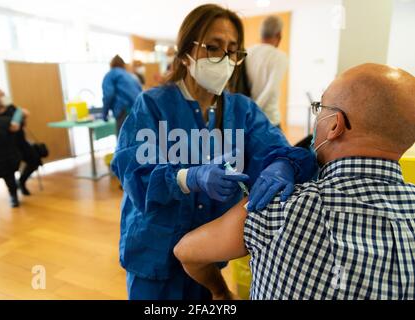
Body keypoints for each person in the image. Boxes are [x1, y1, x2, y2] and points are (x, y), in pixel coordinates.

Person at [111, 4, 317, 300]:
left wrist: (282, 164)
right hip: (153, 250)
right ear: (184, 53)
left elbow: (278, 148)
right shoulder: (153, 105)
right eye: (212, 47)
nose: (225, 59)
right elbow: (133, 170)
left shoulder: (241, 111)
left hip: (206, 255)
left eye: (233, 50)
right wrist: (186, 177)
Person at [174, 63, 415, 300]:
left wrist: (221, 292)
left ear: (334, 125)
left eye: (320, 107)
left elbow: (186, 251)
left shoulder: (283, 206)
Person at [0, 87, 41, 208]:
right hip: (1, 147)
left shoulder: (11, 108)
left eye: (4, 94)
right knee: (7, 169)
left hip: (19, 142)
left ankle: (21, 181)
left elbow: (20, 125)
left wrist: (23, 117)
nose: (4, 97)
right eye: (1, 95)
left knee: (34, 159)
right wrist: (5, 126)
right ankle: (13, 195)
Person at [245, 15, 288, 128]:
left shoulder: (247, 52)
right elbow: (271, 89)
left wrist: (249, 113)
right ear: (279, 35)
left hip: (249, 118)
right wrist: (254, 111)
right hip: (269, 119)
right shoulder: (279, 56)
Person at [101, 55, 143, 135]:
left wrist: (104, 114)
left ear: (111, 65)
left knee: (123, 141)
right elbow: (140, 92)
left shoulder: (110, 75)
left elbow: (108, 94)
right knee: (136, 140)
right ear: (123, 65)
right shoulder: (131, 76)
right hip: (138, 110)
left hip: (124, 111)